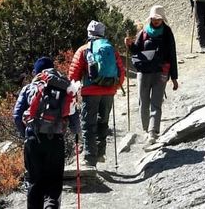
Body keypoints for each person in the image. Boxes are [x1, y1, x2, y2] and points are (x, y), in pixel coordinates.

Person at [13, 56, 80, 209]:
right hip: (55, 140)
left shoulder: (29, 88)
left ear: (37, 72)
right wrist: (76, 133)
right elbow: (74, 118)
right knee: (54, 182)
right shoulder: (66, 88)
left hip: (33, 139)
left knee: (35, 181)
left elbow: (17, 116)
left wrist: (26, 134)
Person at [69, 20, 125, 167]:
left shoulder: (83, 50)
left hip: (90, 92)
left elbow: (73, 74)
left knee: (88, 124)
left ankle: (89, 158)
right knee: (103, 122)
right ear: (102, 33)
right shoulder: (111, 49)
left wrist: (73, 92)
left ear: (88, 33)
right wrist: (115, 87)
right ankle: (101, 153)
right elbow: (121, 70)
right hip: (109, 92)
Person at [124, 5, 178, 147]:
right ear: (151, 18)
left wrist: (174, 77)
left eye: (158, 19)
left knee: (156, 103)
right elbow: (136, 50)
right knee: (143, 102)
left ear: (162, 19)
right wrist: (130, 45)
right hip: (144, 72)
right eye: (154, 18)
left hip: (161, 72)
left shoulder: (167, 33)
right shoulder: (143, 32)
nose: (156, 21)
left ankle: (152, 132)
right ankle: (146, 129)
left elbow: (172, 54)